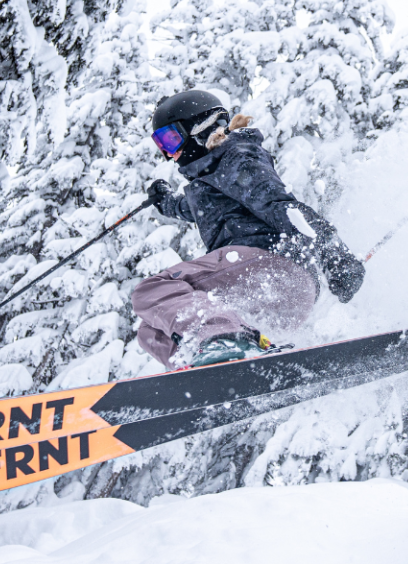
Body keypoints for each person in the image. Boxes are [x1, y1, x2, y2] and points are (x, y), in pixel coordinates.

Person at [133, 89, 365, 369]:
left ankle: (227, 341)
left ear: (198, 129)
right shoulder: (210, 177)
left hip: (271, 268)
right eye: (162, 145)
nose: (170, 154)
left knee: (154, 291)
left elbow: (281, 206)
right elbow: (192, 209)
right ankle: (212, 372)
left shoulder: (235, 157)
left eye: (170, 139)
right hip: (276, 293)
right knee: (152, 330)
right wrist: (164, 202)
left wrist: (334, 255)